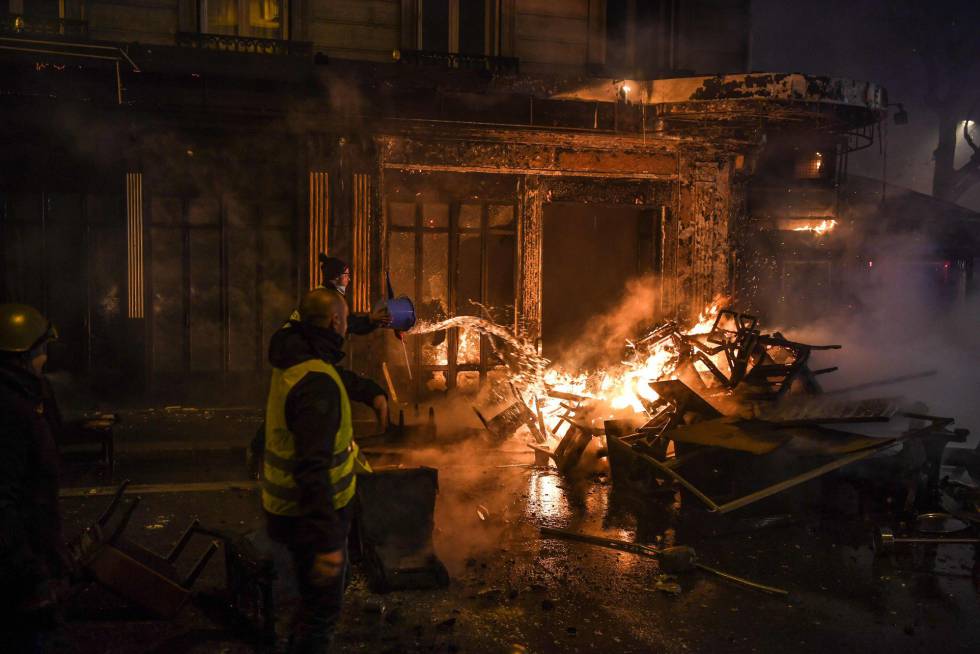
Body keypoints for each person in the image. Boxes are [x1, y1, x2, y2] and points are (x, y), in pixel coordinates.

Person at [262, 288, 387, 652]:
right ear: (335, 321)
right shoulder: (317, 382)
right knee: (320, 617)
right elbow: (311, 469)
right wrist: (330, 544)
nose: (348, 326)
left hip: (285, 515)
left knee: (299, 604)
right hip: (312, 521)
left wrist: (369, 390)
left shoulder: (295, 354)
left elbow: (328, 376)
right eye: (347, 319)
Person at [0, 303, 71, 653]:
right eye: (41, 351)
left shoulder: (21, 398)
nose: (45, 359)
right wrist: (32, 573)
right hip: (18, 578)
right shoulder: (10, 411)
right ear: (23, 355)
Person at [317, 255, 391, 335]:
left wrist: (376, 322)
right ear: (336, 277)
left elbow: (354, 326)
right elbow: (346, 324)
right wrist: (370, 319)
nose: (349, 279)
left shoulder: (333, 295)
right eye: (346, 275)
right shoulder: (324, 298)